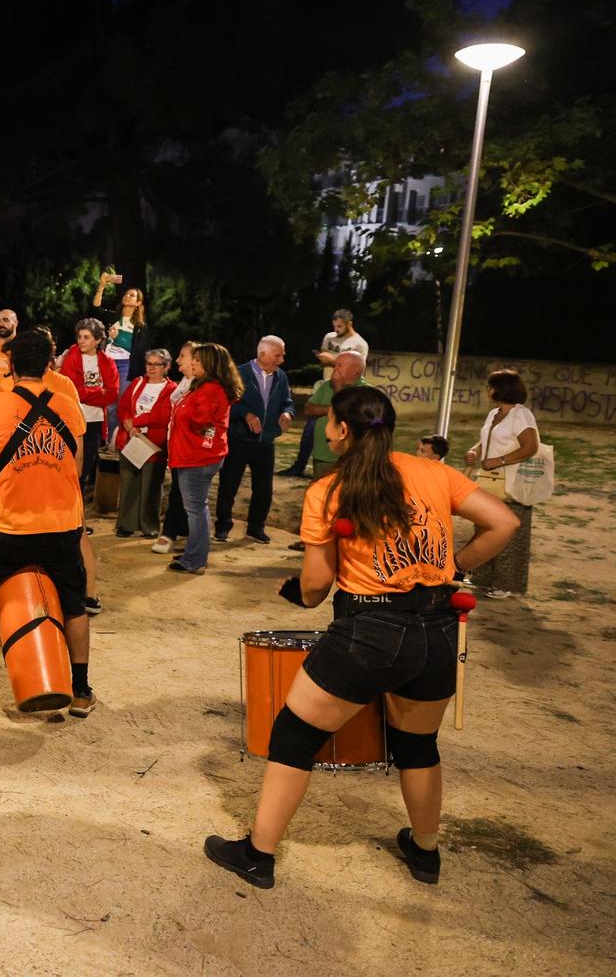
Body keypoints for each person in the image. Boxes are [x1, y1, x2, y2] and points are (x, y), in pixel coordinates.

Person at [204, 386, 518, 889]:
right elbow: (504, 522)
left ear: (341, 430)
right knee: (418, 746)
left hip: (369, 631)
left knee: (295, 735)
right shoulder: (433, 472)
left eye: (329, 420)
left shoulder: (329, 491)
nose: (327, 428)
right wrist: (454, 567)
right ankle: (425, 852)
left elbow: (314, 587)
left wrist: (297, 596)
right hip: (437, 630)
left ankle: (258, 855)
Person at [0, 329, 97, 715]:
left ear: (12, 366)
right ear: (50, 364)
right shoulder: (70, 405)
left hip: (8, 527)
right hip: (62, 525)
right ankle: (81, 690)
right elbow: (79, 467)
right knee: (74, 606)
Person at [464, 369, 540, 599]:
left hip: (510, 481)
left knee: (508, 534)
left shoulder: (521, 415)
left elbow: (531, 447)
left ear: (500, 388)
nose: (488, 390)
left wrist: (500, 460)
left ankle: (506, 584)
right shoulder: (495, 413)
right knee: (485, 526)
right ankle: (482, 577)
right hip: (490, 480)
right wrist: (475, 449)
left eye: (490, 386)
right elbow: (491, 436)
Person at [166, 343, 241, 575]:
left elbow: (202, 421)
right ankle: (195, 551)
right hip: (196, 455)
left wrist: (185, 416)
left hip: (197, 457)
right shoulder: (206, 386)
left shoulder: (210, 389)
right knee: (197, 507)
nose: (193, 363)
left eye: (198, 359)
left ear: (209, 363)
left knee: (196, 508)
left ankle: (195, 559)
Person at [214, 336, 295, 544]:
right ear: (262, 355)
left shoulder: (281, 377)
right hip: (239, 439)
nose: (282, 360)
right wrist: (246, 414)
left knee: (264, 489)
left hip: (265, 442)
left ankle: (256, 528)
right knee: (229, 486)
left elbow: (288, 402)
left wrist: (287, 413)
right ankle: (223, 527)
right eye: (278, 355)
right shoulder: (239, 373)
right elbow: (225, 403)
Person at [284, 309, 370, 476]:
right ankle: (300, 465)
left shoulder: (360, 343)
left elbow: (358, 367)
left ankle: (342, 465)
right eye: (334, 326)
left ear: (349, 323)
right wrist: (324, 360)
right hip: (327, 385)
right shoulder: (329, 337)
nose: (336, 329)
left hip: (345, 387)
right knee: (311, 425)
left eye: (340, 326)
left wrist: (333, 361)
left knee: (339, 427)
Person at [114, 347, 174, 538]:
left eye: (157, 364)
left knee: (151, 486)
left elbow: (163, 415)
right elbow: (123, 406)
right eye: (149, 364)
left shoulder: (171, 388)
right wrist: (128, 425)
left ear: (166, 367)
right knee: (129, 482)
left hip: (153, 445)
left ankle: (149, 526)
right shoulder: (138, 382)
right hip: (131, 440)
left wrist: (136, 422)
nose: (152, 368)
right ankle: (126, 524)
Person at [59, 318, 119, 493]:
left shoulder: (108, 362)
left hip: (95, 420)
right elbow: (70, 390)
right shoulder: (72, 358)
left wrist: (85, 394)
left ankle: (77, 507)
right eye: (80, 336)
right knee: (67, 463)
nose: (81, 341)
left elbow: (112, 394)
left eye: (86, 337)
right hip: (72, 418)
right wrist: (98, 392)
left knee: (85, 467)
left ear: (98, 340)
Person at [151, 342, 199, 555]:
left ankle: (169, 533)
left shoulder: (199, 385)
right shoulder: (185, 382)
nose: (178, 360)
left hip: (188, 446)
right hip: (176, 442)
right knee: (181, 489)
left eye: (182, 356)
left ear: (196, 360)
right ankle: (184, 529)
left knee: (181, 491)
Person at [93, 275, 148, 435]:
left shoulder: (140, 326)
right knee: (108, 404)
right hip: (107, 364)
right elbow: (96, 309)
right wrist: (102, 285)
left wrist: (120, 338)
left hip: (125, 366)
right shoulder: (113, 318)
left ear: (138, 303)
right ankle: (108, 439)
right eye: (126, 294)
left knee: (121, 404)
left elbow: (140, 350)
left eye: (132, 295)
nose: (127, 296)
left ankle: (118, 440)